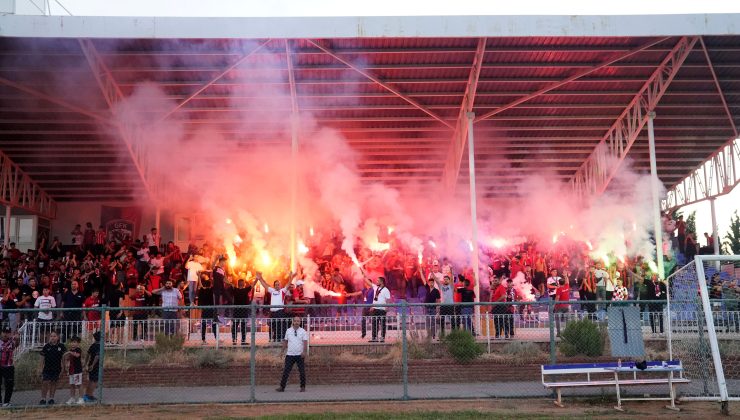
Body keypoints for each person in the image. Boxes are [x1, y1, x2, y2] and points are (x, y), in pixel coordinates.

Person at [275, 316, 308, 393]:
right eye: (295, 321)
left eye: (298, 321)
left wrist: (304, 352)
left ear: (300, 322)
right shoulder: (288, 331)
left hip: (299, 355)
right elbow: (285, 341)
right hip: (290, 354)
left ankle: (302, 387)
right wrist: (282, 352)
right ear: (293, 322)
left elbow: (305, 342)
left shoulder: (303, 331)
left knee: (302, 371)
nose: (296, 322)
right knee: (286, 371)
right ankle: (282, 387)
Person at [255, 272, 290, 343]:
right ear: (274, 286)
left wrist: (291, 277)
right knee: (273, 326)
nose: (277, 286)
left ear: (280, 285)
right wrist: (260, 278)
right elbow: (265, 285)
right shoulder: (272, 291)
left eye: (278, 284)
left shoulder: (282, 291)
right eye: (276, 285)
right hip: (273, 312)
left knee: (280, 326)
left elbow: (288, 284)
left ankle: (281, 339)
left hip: (280, 312)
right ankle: (274, 339)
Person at [39, 330, 65, 405]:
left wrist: (63, 368)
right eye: (51, 336)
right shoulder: (46, 346)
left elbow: (64, 358)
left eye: (54, 336)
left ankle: (51, 398)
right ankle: (43, 398)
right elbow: (42, 358)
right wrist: (40, 368)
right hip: (47, 368)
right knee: (45, 382)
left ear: (58, 337)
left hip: (56, 368)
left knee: (53, 383)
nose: (52, 338)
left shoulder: (61, 346)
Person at [363, 275, 391, 343]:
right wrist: (363, 274)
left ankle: (382, 338)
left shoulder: (386, 290)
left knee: (382, 324)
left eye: (378, 280)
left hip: (382, 309)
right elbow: (367, 281)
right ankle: (374, 338)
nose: (376, 281)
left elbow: (388, 300)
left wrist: (387, 308)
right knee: (374, 324)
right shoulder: (375, 287)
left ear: (382, 282)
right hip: (375, 309)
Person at [0, 327, 19, 407]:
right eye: (4, 332)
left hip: (9, 366)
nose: (6, 334)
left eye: (8, 332)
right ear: (1, 333)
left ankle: (6, 402)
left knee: (9, 385)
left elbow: (17, 345)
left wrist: (17, 338)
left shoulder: (12, 342)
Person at [63, 336, 84, 405]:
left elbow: (77, 355)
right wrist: (66, 364)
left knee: (78, 384)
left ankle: (81, 399)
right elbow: (67, 358)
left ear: (78, 343)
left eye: (74, 342)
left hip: (77, 370)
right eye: (72, 342)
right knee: (72, 385)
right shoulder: (70, 350)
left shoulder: (78, 349)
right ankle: (72, 398)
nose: (73, 344)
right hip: (71, 370)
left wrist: (69, 352)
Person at [231, 278, 252, 346]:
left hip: (236, 310)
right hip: (243, 311)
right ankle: (243, 341)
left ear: (238, 284)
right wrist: (257, 278)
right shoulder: (245, 290)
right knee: (243, 326)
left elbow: (227, 287)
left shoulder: (235, 289)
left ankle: (234, 340)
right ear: (243, 284)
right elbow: (253, 285)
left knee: (235, 326)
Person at [197, 279, 217, 344]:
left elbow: (200, 285)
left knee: (204, 325)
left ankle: (203, 340)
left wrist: (199, 277)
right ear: (210, 285)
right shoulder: (211, 290)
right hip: (211, 309)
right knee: (214, 324)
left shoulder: (202, 290)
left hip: (205, 309)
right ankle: (216, 338)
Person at [83, 331, 101, 403]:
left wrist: (86, 363)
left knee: (91, 380)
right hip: (95, 365)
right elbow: (97, 356)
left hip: (90, 364)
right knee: (94, 381)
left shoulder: (93, 345)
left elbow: (88, 354)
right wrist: (93, 365)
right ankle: (89, 395)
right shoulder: (99, 346)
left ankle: (88, 394)